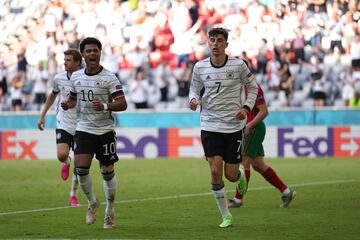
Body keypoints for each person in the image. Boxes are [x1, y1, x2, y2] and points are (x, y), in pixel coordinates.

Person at [189, 27, 258, 228]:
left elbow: (253, 87)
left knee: (230, 174)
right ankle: (225, 215)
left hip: (233, 126)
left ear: (226, 44)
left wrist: (246, 108)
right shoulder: (200, 67)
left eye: (220, 40)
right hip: (210, 124)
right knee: (215, 170)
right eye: (212, 40)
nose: (216, 44)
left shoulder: (238, 66)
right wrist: (193, 100)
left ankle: (240, 175)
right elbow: (193, 89)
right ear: (208, 43)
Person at [61, 37, 127, 229]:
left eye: (95, 50)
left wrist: (105, 105)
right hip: (83, 128)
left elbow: (123, 103)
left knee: (107, 172)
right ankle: (92, 202)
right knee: (81, 170)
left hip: (105, 130)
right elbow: (74, 99)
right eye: (88, 51)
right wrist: (68, 104)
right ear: (82, 54)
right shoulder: (76, 77)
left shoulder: (109, 77)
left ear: (100, 53)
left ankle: (110, 210)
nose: (92, 54)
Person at [227, 83, 296, 208]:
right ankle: (287, 191)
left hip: (253, 128)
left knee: (244, 162)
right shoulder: (237, 87)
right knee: (258, 165)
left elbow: (264, 111)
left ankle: (238, 200)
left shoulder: (254, 88)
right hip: (247, 128)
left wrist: (249, 125)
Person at [37, 48, 82, 207]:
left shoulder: (85, 78)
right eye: (65, 59)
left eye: (68, 60)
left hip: (82, 124)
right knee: (61, 155)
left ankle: (73, 194)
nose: (65, 62)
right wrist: (42, 116)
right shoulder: (59, 78)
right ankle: (66, 162)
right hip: (64, 121)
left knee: (80, 163)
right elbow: (52, 95)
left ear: (77, 62)